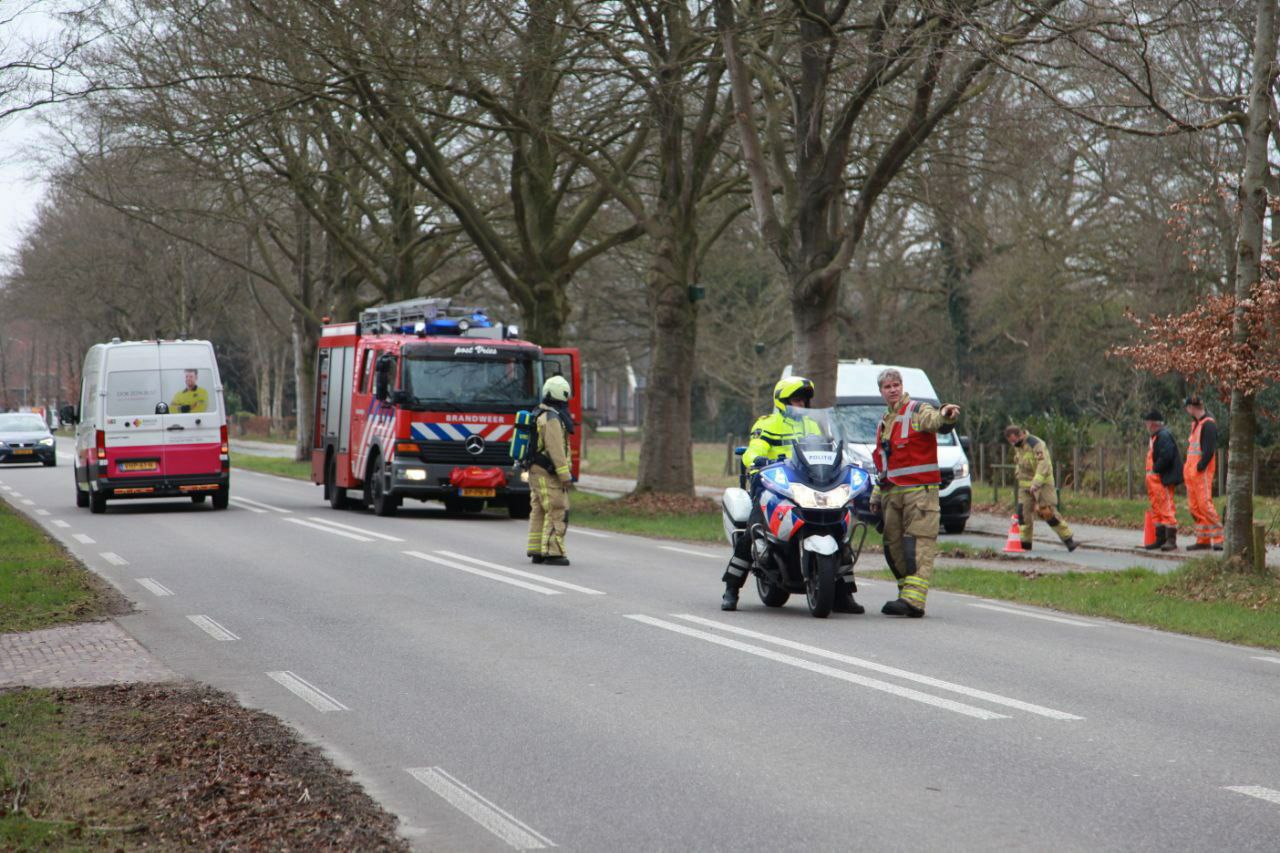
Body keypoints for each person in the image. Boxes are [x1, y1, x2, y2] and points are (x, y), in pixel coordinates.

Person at [720, 376, 863, 613]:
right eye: (795, 400)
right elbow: (753, 449)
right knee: (753, 530)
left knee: (839, 532)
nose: (800, 405)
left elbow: (830, 449)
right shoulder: (767, 424)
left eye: (803, 401)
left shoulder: (813, 426)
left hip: (810, 485)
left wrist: (845, 462)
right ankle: (731, 589)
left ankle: (843, 595)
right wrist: (756, 459)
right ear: (782, 401)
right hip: (774, 484)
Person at [872, 368, 960, 618]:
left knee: (918, 544)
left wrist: (946, 415)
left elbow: (935, 421)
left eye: (896, 385)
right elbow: (883, 464)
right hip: (892, 492)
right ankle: (905, 595)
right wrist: (876, 496)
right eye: (888, 386)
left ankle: (914, 601)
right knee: (894, 546)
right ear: (881, 391)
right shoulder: (883, 422)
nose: (893, 389)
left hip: (919, 493)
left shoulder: (917, 410)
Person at [1003, 425, 1078, 552]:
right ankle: (1025, 545)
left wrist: (1036, 482)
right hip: (1025, 486)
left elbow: (1043, 464)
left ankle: (1068, 539)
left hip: (1043, 484)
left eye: (1014, 440)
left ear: (1020, 435)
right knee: (1023, 515)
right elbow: (1019, 464)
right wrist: (1018, 475)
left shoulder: (1036, 444)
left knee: (1048, 512)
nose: (1013, 443)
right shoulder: (1018, 447)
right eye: (1010, 441)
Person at [526, 375, 575, 566]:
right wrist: (565, 475)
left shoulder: (539, 413)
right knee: (557, 509)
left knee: (538, 509)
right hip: (548, 472)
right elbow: (556, 448)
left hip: (535, 470)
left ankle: (536, 549)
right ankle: (553, 552)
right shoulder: (552, 418)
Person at [1182, 396, 1223, 551]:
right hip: (1192, 474)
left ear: (1192, 407)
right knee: (1194, 508)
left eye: (1187, 407)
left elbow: (1208, 451)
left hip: (1201, 474)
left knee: (1205, 506)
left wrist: (1200, 467)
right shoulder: (1196, 424)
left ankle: (1220, 538)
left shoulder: (1208, 425)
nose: (1187, 410)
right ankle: (1203, 540)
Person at [1143, 410, 1183, 552]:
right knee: (1157, 509)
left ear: (1153, 423)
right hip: (1154, 479)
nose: (1146, 426)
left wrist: (1155, 469)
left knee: (1166, 508)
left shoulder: (1163, 436)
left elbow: (1166, 456)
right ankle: (1160, 539)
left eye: (1147, 423)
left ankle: (1171, 540)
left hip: (1161, 479)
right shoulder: (1156, 437)